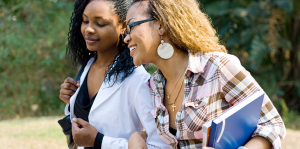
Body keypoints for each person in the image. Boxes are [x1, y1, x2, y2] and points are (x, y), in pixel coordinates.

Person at [124, 0, 286, 149]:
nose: (126, 37)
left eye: (132, 26)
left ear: (161, 26)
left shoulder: (217, 67)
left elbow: (272, 124)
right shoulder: (154, 85)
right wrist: (138, 137)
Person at [59, 0, 171, 148]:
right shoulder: (87, 66)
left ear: (123, 26)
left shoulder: (138, 80)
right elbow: (91, 115)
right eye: (85, 21)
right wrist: (72, 101)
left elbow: (159, 145)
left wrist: (99, 141)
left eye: (100, 24)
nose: (89, 29)